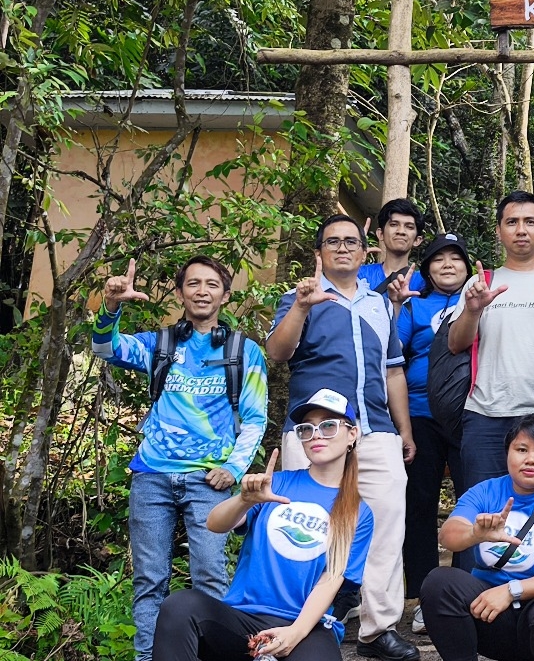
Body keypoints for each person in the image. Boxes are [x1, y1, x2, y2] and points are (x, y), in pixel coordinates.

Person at [92, 255, 268, 661]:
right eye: (193, 283)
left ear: (225, 294)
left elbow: (256, 419)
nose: (202, 291)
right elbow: (106, 348)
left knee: (210, 576)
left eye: (211, 284)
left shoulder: (245, 351)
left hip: (210, 480)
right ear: (180, 292)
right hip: (152, 476)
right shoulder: (162, 344)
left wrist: (234, 468)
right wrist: (112, 306)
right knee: (149, 579)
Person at [267, 215, 419, 661]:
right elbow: (278, 353)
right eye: (332, 241)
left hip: (374, 430)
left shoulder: (378, 304)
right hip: (314, 434)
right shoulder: (300, 298)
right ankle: (301, 626)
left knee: (388, 526)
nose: (342, 248)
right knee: (307, 527)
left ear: (364, 251)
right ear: (320, 252)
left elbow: (393, 370)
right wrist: (301, 306)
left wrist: (404, 429)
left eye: (351, 241)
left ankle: (377, 631)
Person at [153, 389, 375, 660]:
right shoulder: (277, 483)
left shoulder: (359, 512)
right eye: (306, 428)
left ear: (352, 434)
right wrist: (244, 500)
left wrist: (294, 633)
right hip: (243, 618)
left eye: (328, 426)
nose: (316, 434)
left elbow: (331, 581)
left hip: (305, 626)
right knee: (180, 607)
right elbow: (214, 523)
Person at [418, 415, 534, 661]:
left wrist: (512, 591)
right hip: (491, 615)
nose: (530, 459)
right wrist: (474, 534)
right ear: (507, 453)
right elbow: (448, 536)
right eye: (521, 449)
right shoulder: (486, 491)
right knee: (440, 583)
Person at [447, 191, 534, 489]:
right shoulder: (481, 282)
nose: (521, 230)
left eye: (530, 222)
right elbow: (456, 344)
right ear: (499, 231)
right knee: (483, 508)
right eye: (512, 222)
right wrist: (473, 310)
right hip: (486, 415)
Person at [396, 232, 472, 630]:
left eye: (455, 259)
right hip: (421, 413)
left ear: (467, 267)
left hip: (469, 413)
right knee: (420, 505)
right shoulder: (414, 305)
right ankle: (427, 595)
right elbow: (393, 353)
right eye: (438, 259)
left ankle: (459, 591)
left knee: (470, 501)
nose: (447, 265)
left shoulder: (480, 300)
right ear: (426, 269)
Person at [359, 198, 427, 293]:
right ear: (380, 234)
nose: (401, 231)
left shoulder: (424, 283)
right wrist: (354, 258)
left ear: (417, 240)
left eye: (409, 227)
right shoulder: (359, 274)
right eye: (394, 224)